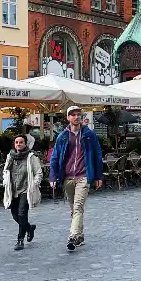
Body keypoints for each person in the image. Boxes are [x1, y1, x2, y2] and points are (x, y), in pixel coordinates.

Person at [49, 105, 104, 252]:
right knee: (74, 209)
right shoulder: (63, 136)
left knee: (78, 207)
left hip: (83, 176)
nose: (76, 117)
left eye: (78, 114)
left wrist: (98, 176)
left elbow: (97, 155)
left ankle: (73, 236)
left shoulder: (89, 135)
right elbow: (54, 157)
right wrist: (53, 176)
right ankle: (80, 235)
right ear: (68, 118)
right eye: (72, 115)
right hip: (67, 177)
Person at [3, 135, 43, 251]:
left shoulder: (31, 157)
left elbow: (38, 173)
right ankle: (29, 228)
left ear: (25, 144)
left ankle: (20, 240)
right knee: (14, 214)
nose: (19, 144)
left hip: (26, 189)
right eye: (16, 142)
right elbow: (6, 170)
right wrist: (6, 181)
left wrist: (33, 185)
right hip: (13, 189)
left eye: (21, 142)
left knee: (21, 213)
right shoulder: (10, 156)